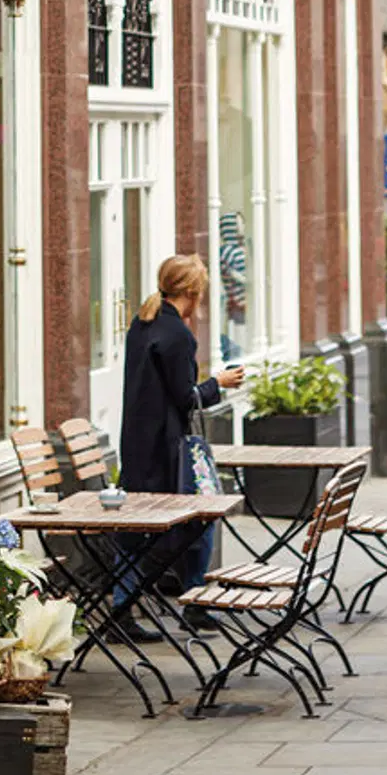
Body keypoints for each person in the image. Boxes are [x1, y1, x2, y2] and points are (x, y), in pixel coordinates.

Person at [117, 254, 244, 634]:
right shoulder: (177, 336)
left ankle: (124, 608)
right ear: (193, 292)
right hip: (168, 448)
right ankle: (191, 600)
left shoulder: (142, 326)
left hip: (138, 443)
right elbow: (185, 398)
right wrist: (218, 383)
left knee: (134, 530)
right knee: (199, 518)